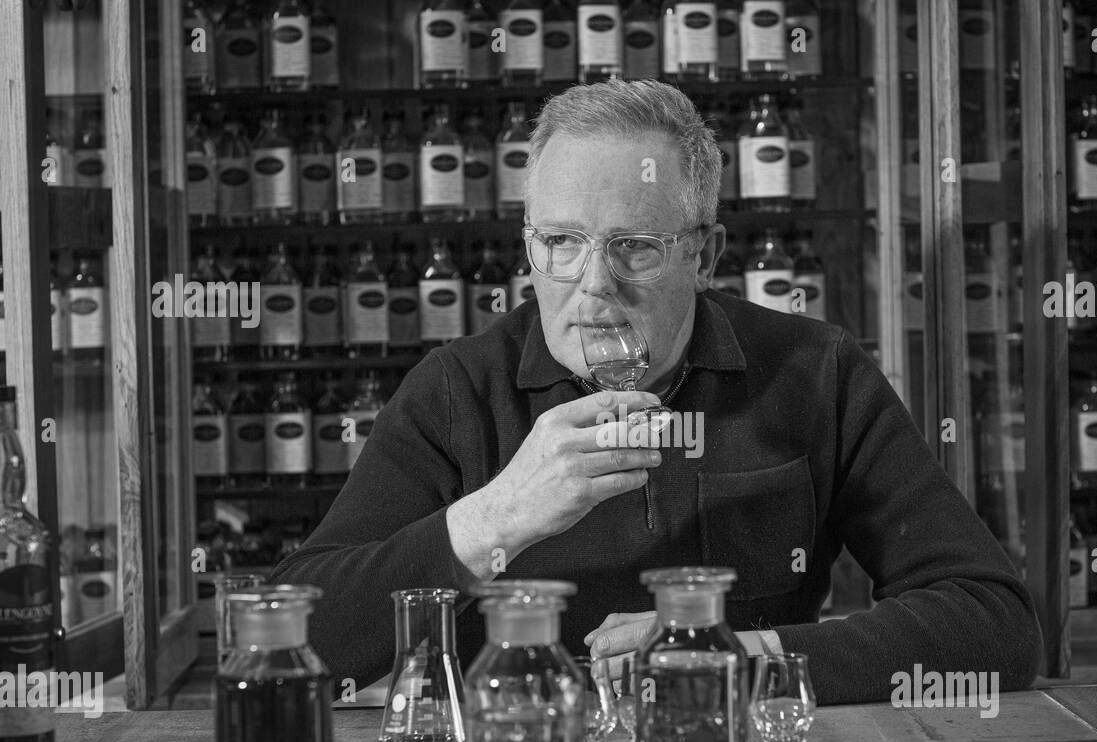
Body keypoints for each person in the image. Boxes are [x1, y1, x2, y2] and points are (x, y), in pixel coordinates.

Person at [270, 79, 1042, 705]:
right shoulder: (455, 391)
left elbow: (995, 625)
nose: (592, 286)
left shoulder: (816, 371)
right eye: (562, 244)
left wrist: (733, 657)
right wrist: (499, 516)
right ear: (528, 246)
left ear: (705, 254)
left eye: (634, 248)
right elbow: (298, 642)